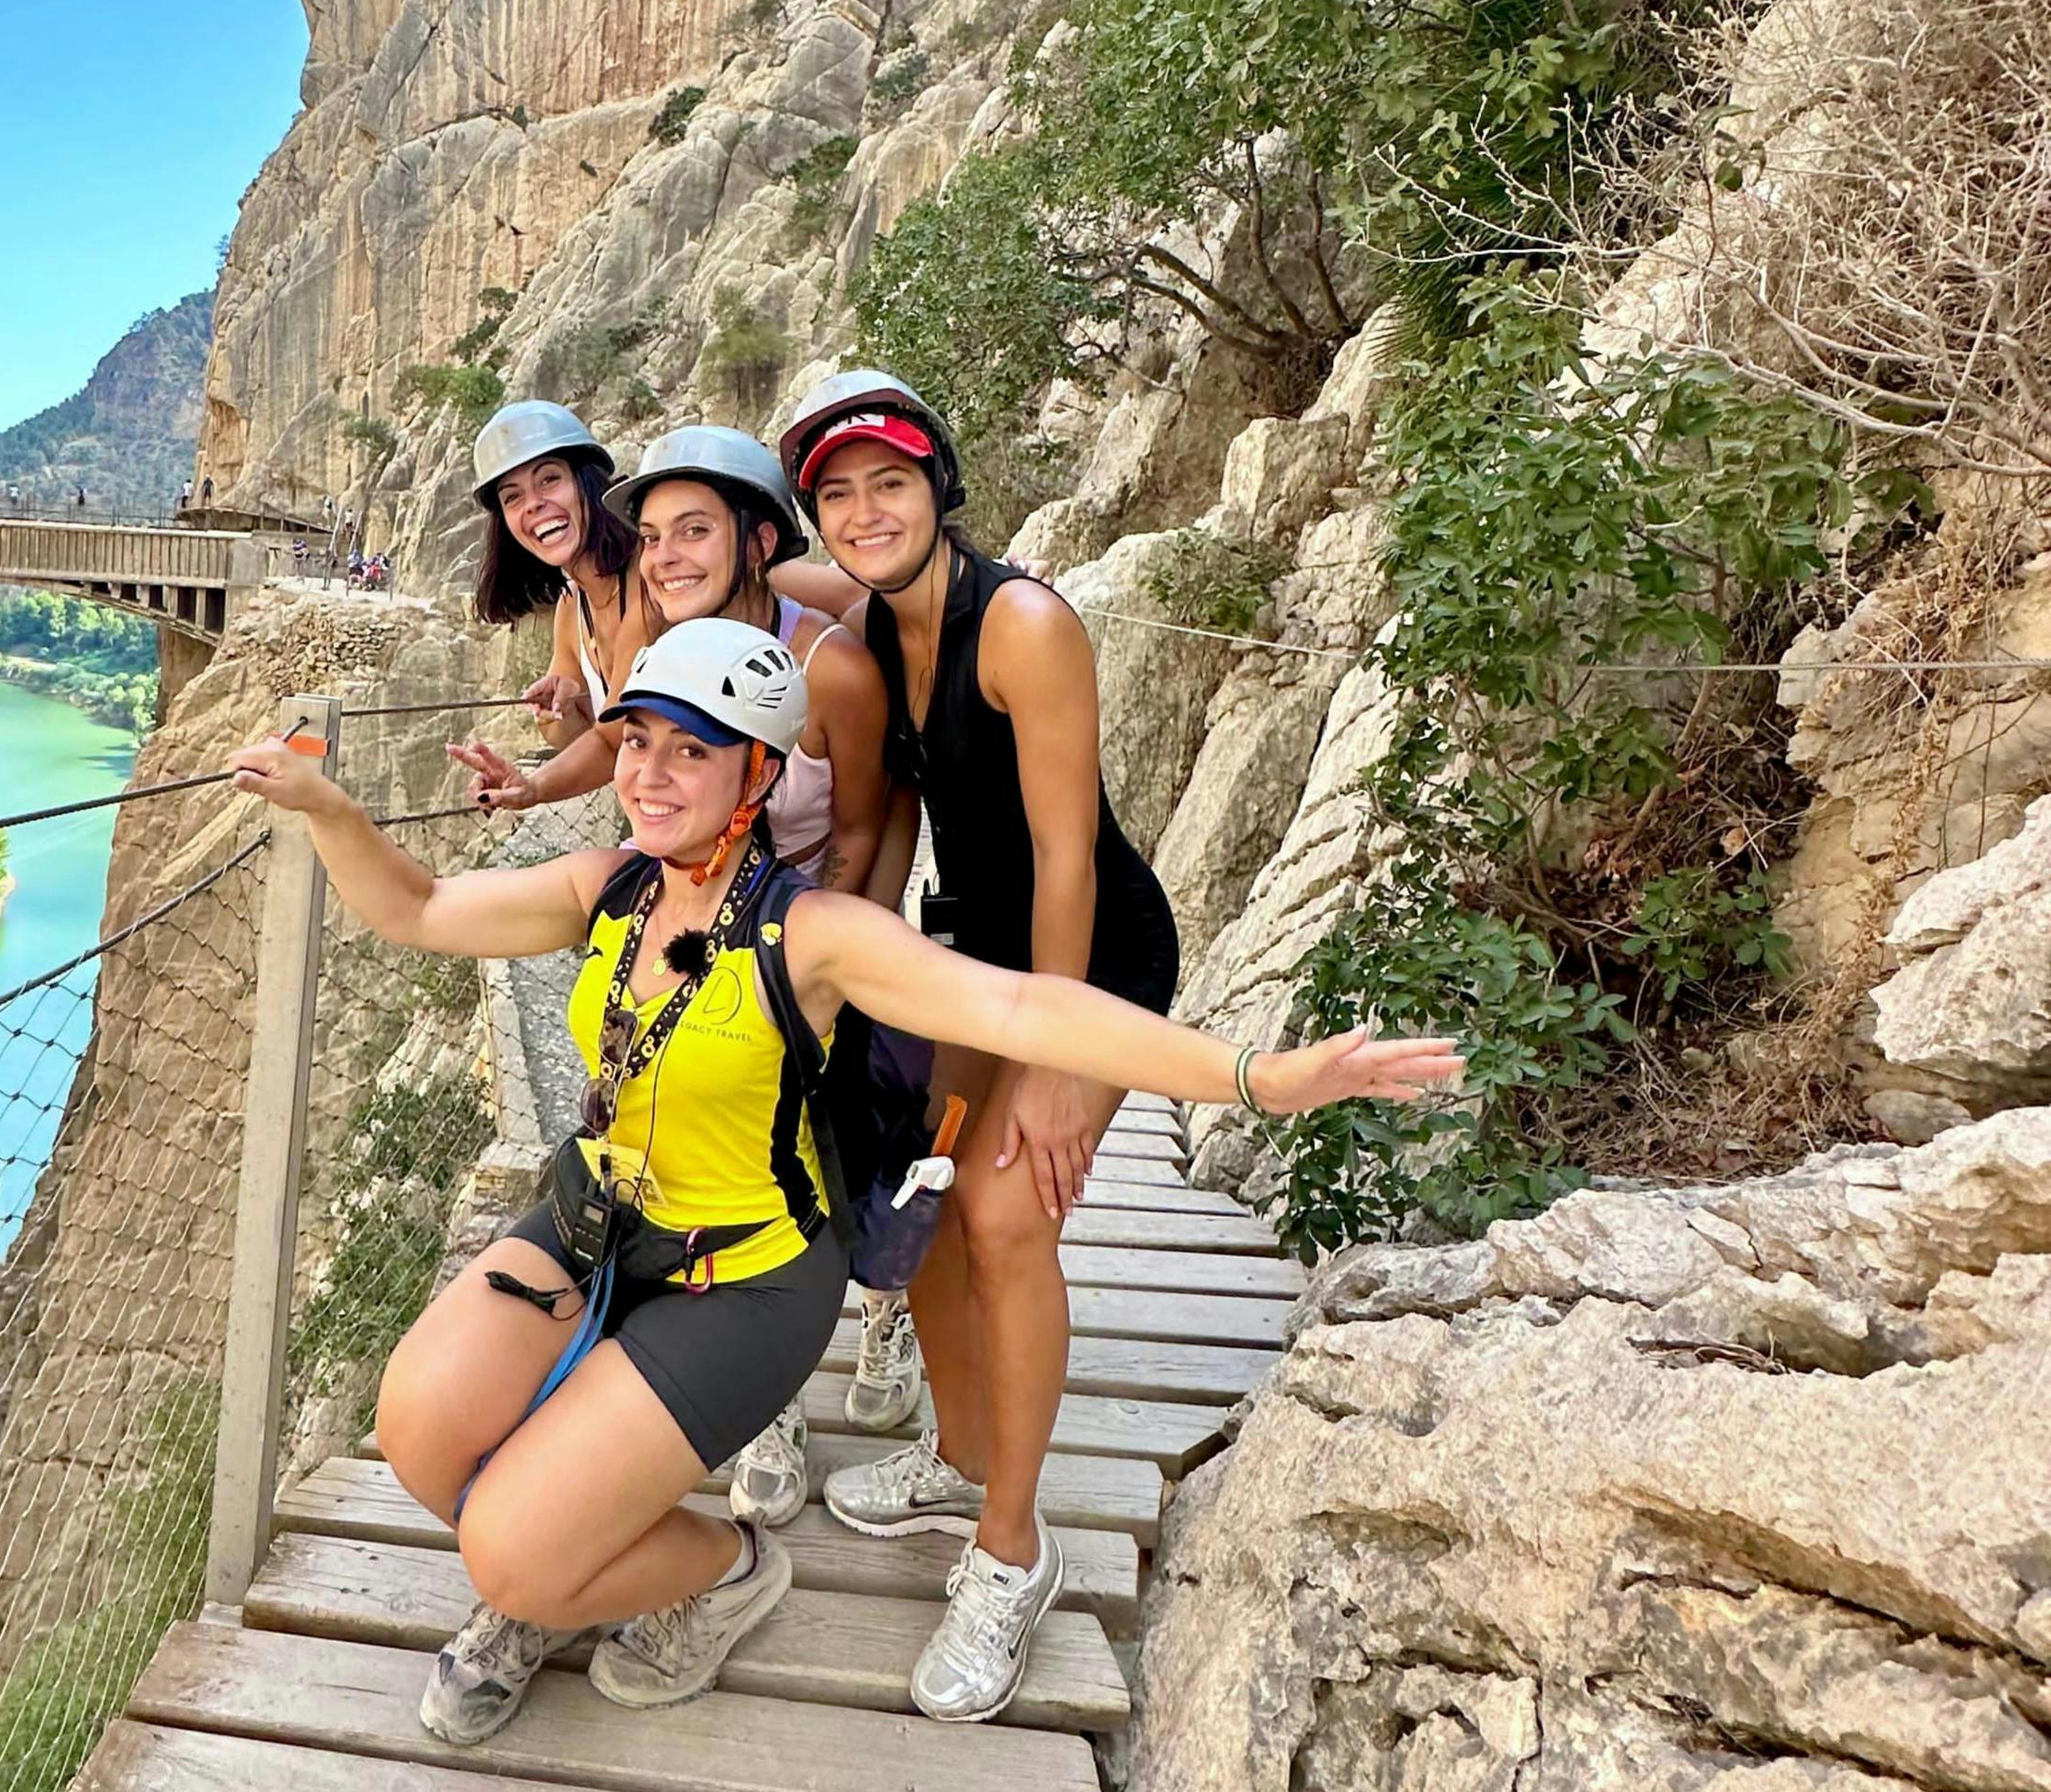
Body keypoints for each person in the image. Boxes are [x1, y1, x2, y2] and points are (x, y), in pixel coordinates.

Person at [223, 617, 1459, 1747]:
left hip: (744, 1279)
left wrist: (1255, 1075)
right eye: (636, 741)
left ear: (756, 777)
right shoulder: (608, 887)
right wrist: (329, 809)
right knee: (422, 1437)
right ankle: (563, 1568)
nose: (649, 774)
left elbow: (1018, 1003)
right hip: (595, 1223)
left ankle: (718, 1571)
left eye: (689, 753)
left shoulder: (809, 932)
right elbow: (426, 907)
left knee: (504, 1550)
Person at [769, 369, 1186, 1722]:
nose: (864, 510)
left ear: (937, 490)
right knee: (924, 1203)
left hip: (1093, 954)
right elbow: (879, 835)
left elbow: (1066, 853)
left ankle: (1011, 1547)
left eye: (889, 482)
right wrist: (844, 991)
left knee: (1006, 1218)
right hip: (964, 961)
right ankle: (954, 1455)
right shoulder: (859, 654)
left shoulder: (1024, 625)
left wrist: (1061, 1062)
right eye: (836, 494)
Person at [446, 425, 903, 1522]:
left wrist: (836, 952)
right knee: (718, 1153)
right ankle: (764, 1395)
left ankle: (885, 1300)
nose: (664, 555)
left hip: (802, 930)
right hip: (682, 912)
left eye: (691, 531)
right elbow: (619, 732)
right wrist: (544, 771)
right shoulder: (653, 627)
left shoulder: (826, 656)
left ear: (750, 537)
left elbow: (874, 820)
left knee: (840, 1140)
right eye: (653, 536)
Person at [460, 401, 650, 753]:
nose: (533, 504)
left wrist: (531, 788)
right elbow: (570, 736)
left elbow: (612, 740)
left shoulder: (648, 575)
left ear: (587, 482)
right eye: (513, 497)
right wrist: (558, 707)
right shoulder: (572, 604)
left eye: (549, 479)